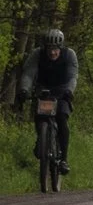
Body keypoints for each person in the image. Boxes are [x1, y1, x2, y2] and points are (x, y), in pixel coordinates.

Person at [15, 28, 79, 169]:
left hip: (62, 90)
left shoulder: (69, 55)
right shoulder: (37, 54)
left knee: (62, 117)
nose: (52, 52)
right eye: (49, 48)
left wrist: (69, 91)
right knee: (39, 116)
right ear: (45, 47)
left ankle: (63, 158)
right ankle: (41, 139)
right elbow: (28, 74)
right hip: (43, 89)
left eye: (55, 49)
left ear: (60, 48)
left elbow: (72, 76)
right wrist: (24, 89)